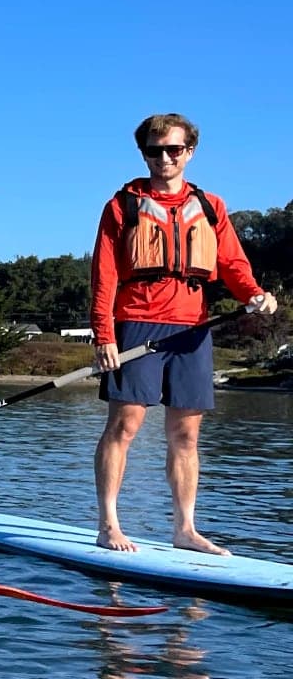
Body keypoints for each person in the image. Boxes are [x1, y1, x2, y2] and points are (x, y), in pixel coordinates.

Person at [90, 113, 279, 554]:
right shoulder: (123, 205)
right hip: (137, 321)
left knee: (186, 434)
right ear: (144, 154)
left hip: (192, 330)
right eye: (155, 151)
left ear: (189, 152)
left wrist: (253, 294)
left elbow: (232, 263)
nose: (164, 158)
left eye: (173, 150)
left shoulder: (211, 205)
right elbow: (103, 275)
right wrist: (104, 335)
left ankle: (185, 529)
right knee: (125, 425)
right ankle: (109, 525)